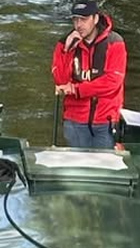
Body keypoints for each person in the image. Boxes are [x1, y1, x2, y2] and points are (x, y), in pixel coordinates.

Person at [51, 1, 126, 149]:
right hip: (74, 120)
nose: (78, 25)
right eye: (75, 19)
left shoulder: (115, 42)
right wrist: (67, 51)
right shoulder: (63, 44)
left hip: (105, 120)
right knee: (78, 167)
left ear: (96, 18)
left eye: (84, 19)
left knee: (105, 168)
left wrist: (77, 89)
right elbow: (61, 81)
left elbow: (112, 82)